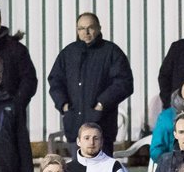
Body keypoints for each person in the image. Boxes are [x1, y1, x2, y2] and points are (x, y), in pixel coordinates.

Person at [47, 12, 134, 147]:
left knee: (101, 167)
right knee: (78, 167)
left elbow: (124, 83)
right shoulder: (68, 53)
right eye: (81, 29)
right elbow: (55, 81)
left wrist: (101, 104)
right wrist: (64, 105)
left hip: (102, 127)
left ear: (99, 28)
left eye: (90, 27)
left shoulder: (111, 52)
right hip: (75, 127)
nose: (86, 32)